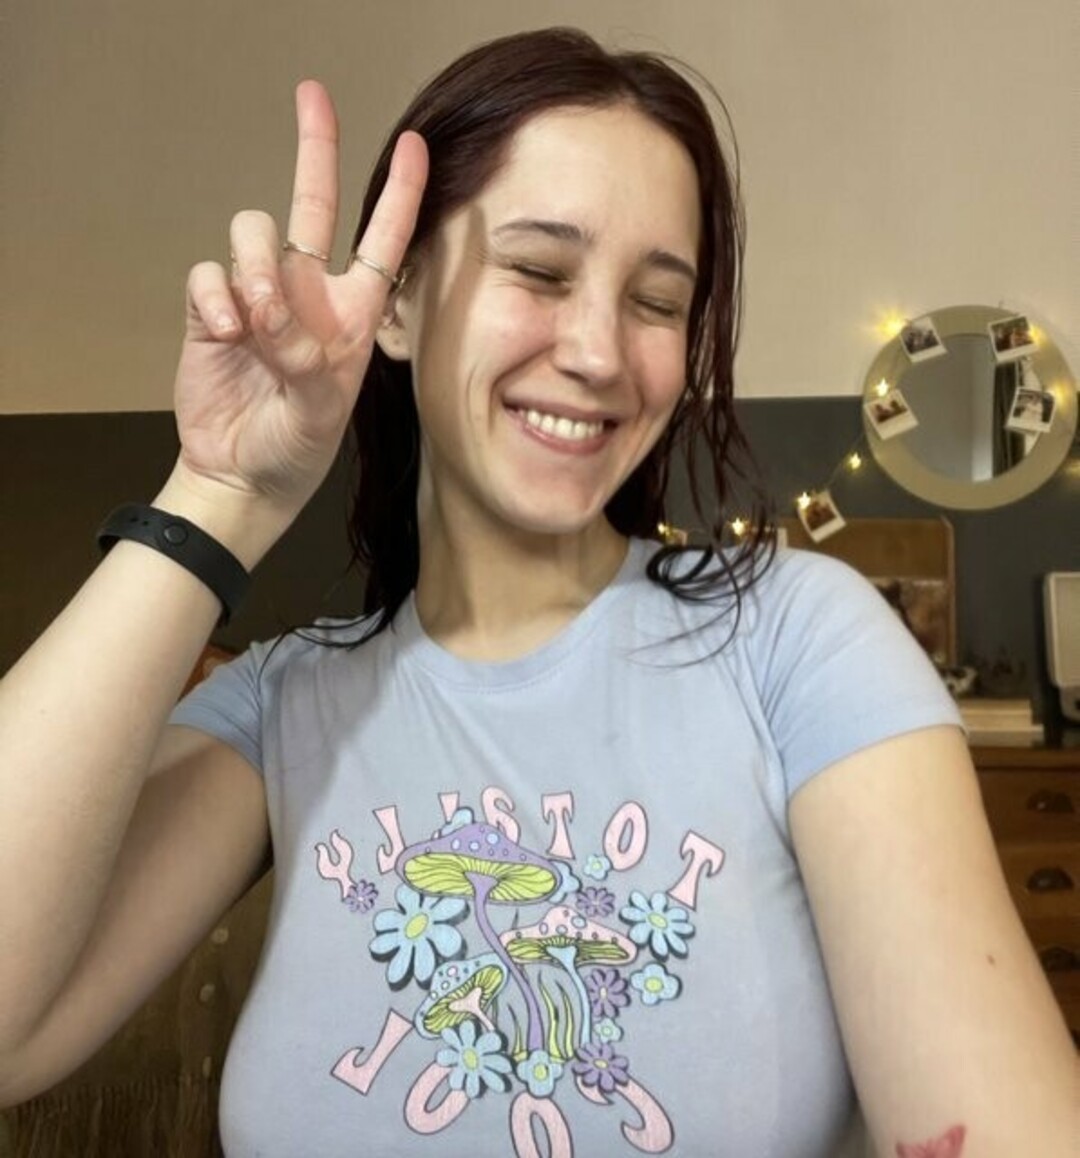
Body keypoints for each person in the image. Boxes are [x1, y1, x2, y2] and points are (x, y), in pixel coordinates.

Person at [0, 26, 1074, 1158]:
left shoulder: (802, 641)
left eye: (657, 301)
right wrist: (220, 493)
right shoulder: (283, 705)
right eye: (539, 272)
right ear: (398, 303)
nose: (601, 353)